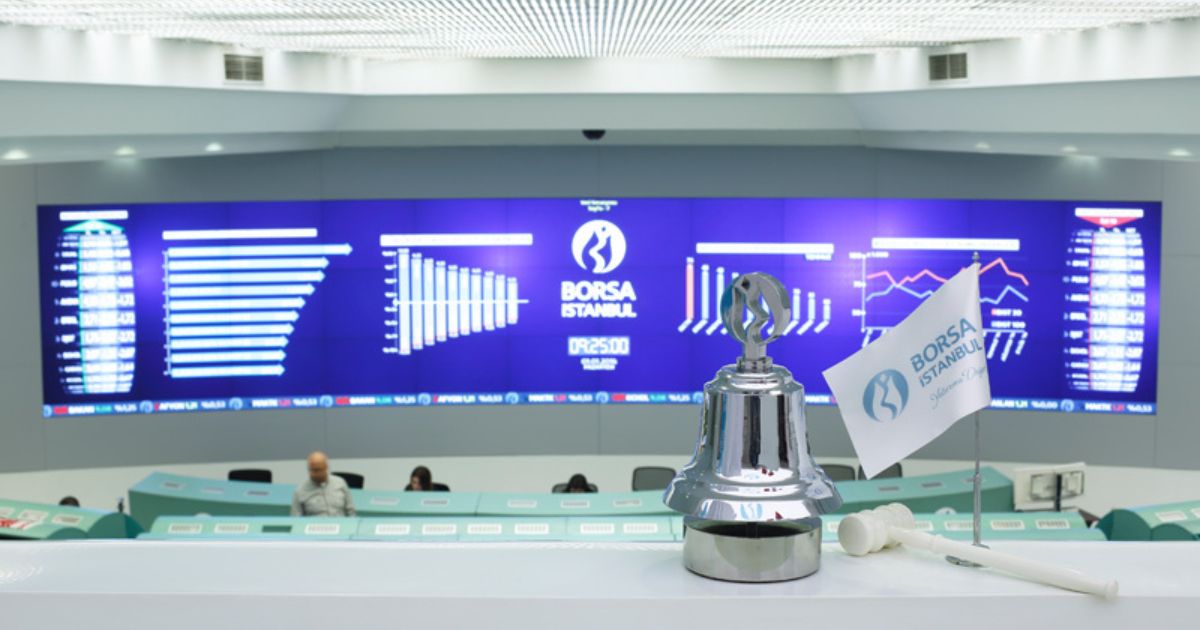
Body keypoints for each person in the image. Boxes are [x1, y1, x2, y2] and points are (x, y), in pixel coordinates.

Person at [290, 451, 356, 517]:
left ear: (326, 467)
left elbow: (351, 511)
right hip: (315, 523)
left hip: (341, 522)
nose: (316, 474)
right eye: (312, 470)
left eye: (319, 470)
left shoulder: (340, 483)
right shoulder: (300, 492)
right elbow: (295, 519)